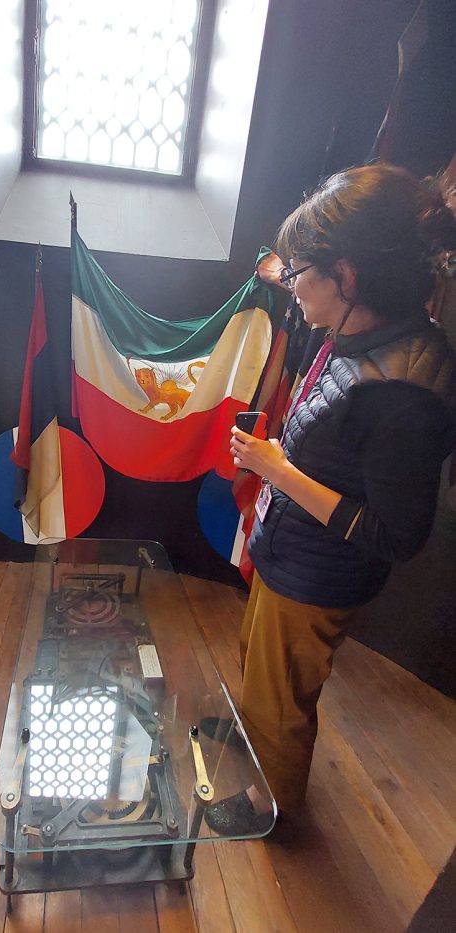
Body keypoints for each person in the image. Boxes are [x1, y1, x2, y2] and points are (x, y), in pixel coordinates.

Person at [204, 162, 456, 836]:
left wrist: (277, 470)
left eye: (300, 271)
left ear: (346, 277)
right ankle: (252, 736)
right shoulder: (365, 328)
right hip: (290, 548)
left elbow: (396, 536)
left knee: (285, 694)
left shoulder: (404, 392)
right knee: (261, 661)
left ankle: (273, 809)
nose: (291, 285)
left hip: (319, 573)